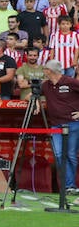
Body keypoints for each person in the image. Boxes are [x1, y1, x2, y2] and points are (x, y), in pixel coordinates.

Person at [38, 59, 79, 195]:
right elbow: (31, 94)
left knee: (71, 155)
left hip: (72, 123)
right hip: (55, 124)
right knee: (59, 154)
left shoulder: (70, 82)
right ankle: (68, 185)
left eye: (45, 69)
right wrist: (36, 102)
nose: (44, 72)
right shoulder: (46, 85)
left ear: (50, 71)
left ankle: (70, 185)